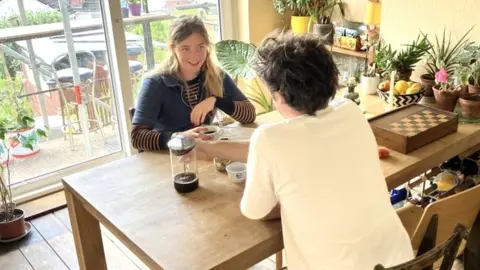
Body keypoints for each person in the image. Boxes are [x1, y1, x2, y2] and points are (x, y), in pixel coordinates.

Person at [195, 31, 414, 269]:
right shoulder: (350, 111)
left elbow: (255, 210)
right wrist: (210, 148)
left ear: (278, 96)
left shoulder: (270, 139)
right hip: (400, 260)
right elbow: (286, 147)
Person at [131, 15, 256, 151]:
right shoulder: (155, 83)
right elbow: (137, 137)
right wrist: (179, 137)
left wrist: (216, 101)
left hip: (203, 154)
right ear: (173, 48)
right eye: (185, 48)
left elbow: (249, 115)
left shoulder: (215, 75)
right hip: (169, 159)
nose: (195, 56)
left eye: (200, 47)